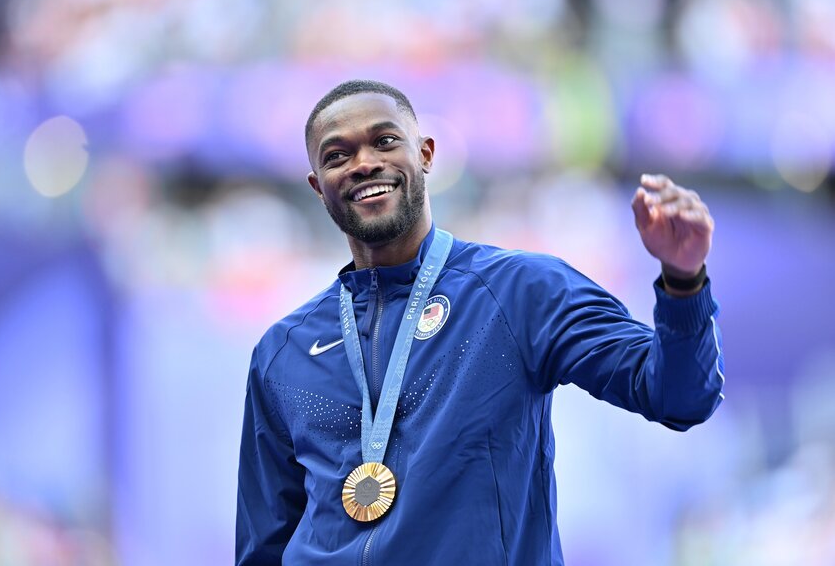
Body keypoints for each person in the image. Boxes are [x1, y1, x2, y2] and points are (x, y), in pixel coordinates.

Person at [235, 79, 724, 565]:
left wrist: (684, 283)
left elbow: (677, 395)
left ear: (425, 154)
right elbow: (263, 546)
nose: (364, 163)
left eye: (385, 141)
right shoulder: (285, 350)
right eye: (337, 155)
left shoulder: (521, 292)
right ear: (319, 186)